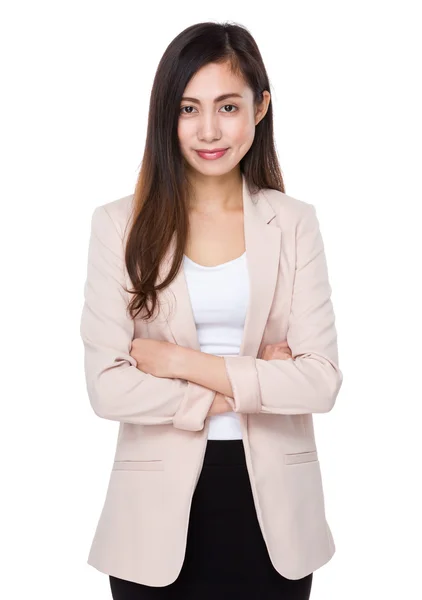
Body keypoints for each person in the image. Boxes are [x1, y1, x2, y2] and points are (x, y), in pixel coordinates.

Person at [80, 20, 343, 600]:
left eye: (227, 106)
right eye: (187, 108)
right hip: (152, 520)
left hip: (275, 515)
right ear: (165, 116)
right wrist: (257, 380)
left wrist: (174, 360)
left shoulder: (294, 222)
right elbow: (108, 388)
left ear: (260, 107)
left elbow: (320, 382)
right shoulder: (117, 226)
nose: (208, 130)